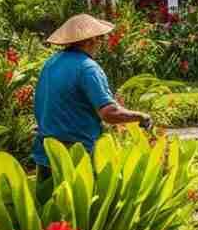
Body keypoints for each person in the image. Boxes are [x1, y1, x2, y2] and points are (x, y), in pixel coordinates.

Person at [33, 14, 152, 200]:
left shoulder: (51, 64)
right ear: (90, 40)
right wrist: (141, 116)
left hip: (46, 152)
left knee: (49, 216)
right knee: (80, 218)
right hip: (77, 155)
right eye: (99, 38)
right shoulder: (88, 68)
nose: (101, 42)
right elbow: (109, 113)